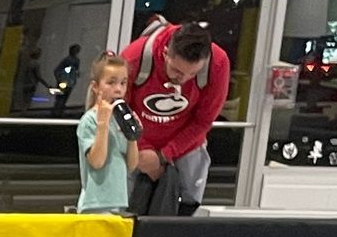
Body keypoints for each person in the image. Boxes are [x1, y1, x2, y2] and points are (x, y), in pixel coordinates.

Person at [123, 17, 229, 217]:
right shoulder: (135, 57)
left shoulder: (218, 63)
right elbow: (120, 111)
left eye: (192, 74)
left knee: (188, 201)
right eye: (177, 71)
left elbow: (203, 121)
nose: (184, 79)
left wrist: (164, 155)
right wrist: (142, 149)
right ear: (165, 54)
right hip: (136, 140)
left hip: (185, 144)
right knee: (124, 207)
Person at [74, 50, 143, 212]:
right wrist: (103, 124)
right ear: (96, 87)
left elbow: (132, 165)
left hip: (118, 202)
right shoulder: (90, 120)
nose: (118, 89)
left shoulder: (120, 118)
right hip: (94, 204)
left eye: (123, 83)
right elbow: (97, 162)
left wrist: (132, 136)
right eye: (111, 83)